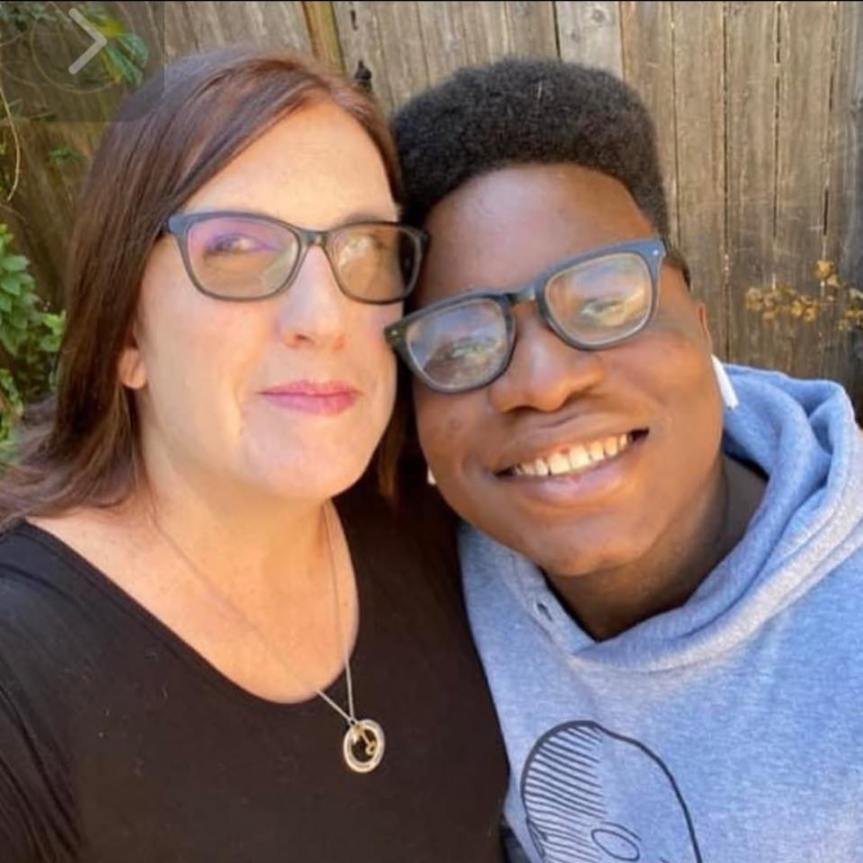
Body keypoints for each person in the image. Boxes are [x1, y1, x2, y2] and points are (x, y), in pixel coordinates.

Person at [0, 48, 508, 862]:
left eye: (366, 249)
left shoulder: (434, 519)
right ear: (127, 333)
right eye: (237, 249)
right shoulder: (23, 678)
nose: (325, 319)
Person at [387, 58, 863, 861]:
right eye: (460, 342)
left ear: (700, 324)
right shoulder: (427, 576)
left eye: (603, 302)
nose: (543, 383)